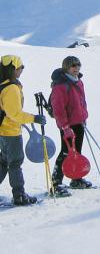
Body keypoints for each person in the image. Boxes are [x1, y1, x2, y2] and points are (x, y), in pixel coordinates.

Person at [0, 55, 46, 205]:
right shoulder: (11, 88)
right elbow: (14, 114)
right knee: (15, 162)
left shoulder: (3, 84)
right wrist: (34, 118)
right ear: (13, 69)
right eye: (20, 68)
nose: (21, 71)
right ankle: (19, 195)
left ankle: (18, 194)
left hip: (2, 130)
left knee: (3, 161)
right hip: (10, 131)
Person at [50, 56, 91, 194]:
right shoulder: (60, 85)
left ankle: (76, 178)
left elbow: (81, 102)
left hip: (78, 122)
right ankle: (56, 184)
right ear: (66, 67)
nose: (76, 68)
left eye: (78, 65)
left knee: (77, 151)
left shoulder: (78, 82)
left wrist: (83, 116)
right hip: (68, 125)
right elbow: (58, 109)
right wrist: (65, 127)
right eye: (73, 65)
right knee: (66, 152)